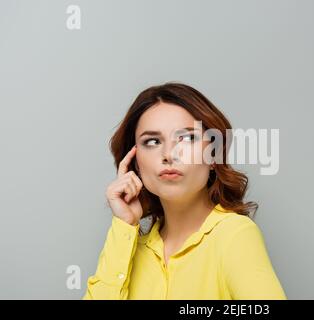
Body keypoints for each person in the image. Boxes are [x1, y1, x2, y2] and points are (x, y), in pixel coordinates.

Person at [83, 82, 287, 299]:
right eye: (152, 141)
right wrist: (124, 224)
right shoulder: (130, 250)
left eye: (188, 138)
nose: (169, 154)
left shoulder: (233, 235)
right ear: (135, 163)